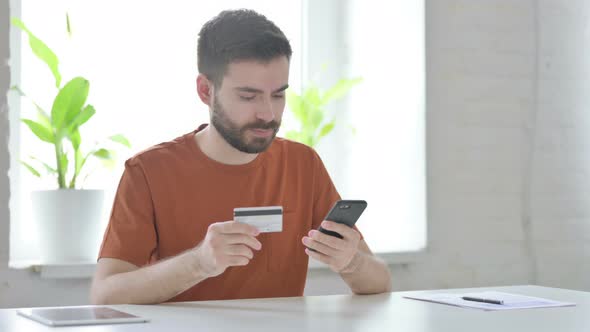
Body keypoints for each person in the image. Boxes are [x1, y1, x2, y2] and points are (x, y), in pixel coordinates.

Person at [90, 9, 392, 305]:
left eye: (278, 94)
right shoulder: (148, 171)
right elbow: (105, 294)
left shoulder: (303, 164)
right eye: (248, 96)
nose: (268, 113)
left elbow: (380, 282)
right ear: (206, 91)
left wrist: (350, 262)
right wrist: (199, 262)